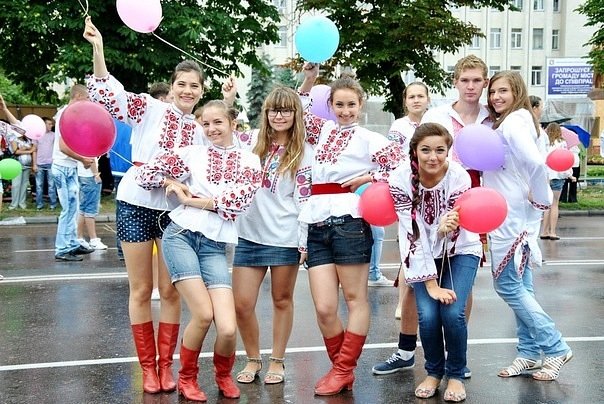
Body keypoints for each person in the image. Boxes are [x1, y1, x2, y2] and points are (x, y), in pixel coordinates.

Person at [84, 16, 211, 394]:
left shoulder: (201, 130)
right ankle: (148, 369)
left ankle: (166, 366)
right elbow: (110, 96)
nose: (187, 90)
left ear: (201, 91)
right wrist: (98, 49)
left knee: (170, 292)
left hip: (174, 212)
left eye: (194, 85)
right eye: (181, 84)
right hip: (135, 203)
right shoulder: (148, 108)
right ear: (171, 87)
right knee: (140, 290)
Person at [135, 100, 262, 401]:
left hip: (214, 246)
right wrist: (171, 182)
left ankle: (222, 376)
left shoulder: (250, 161)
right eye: (205, 124)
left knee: (228, 328)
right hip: (180, 236)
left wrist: (189, 200)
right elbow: (144, 175)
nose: (211, 129)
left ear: (233, 123)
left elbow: (236, 204)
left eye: (218, 122)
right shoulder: (192, 154)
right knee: (203, 314)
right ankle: (187, 378)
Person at [298, 63, 403, 396]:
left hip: (350, 223)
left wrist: (371, 177)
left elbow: (405, 166)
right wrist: (310, 79)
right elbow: (299, 111)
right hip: (317, 223)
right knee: (324, 307)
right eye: (339, 105)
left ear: (361, 105)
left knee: (355, 299)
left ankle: (343, 370)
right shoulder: (322, 131)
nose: (345, 111)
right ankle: (340, 369)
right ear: (330, 106)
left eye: (351, 105)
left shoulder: (370, 138)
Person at [485, 70, 572, 381]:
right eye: (493, 91)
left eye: (503, 91)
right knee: (523, 287)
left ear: (517, 92)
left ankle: (555, 346)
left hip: (510, 216)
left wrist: (541, 197)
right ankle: (529, 352)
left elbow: (535, 163)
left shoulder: (514, 122)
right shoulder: (521, 119)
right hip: (513, 213)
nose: (496, 97)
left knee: (506, 285)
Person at [389, 122, 482, 402]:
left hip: (460, 249)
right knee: (428, 317)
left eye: (440, 150)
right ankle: (433, 372)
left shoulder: (459, 177)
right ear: (414, 151)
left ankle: (455, 374)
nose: (433, 157)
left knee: (452, 313)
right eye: (426, 150)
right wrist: (431, 285)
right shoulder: (400, 179)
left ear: (448, 151)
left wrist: (445, 229)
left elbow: (456, 228)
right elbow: (411, 234)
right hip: (419, 254)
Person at [232, 86, 313, 385]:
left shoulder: (304, 152)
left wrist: (304, 241)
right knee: (242, 304)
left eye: (286, 110)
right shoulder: (250, 141)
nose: (279, 116)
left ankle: (277, 360)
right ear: (266, 113)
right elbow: (219, 137)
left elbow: (304, 200)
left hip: (284, 236)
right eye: (274, 110)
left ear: (296, 114)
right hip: (248, 234)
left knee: (281, 299)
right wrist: (228, 99)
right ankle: (253, 358)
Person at [372, 82, 431, 375]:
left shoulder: (437, 122)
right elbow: (393, 158)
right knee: (409, 257)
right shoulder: (399, 126)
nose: (416, 100)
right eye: (411, 96)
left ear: (428, 99)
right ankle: (403, 311)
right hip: (409, 198)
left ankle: (449, 352)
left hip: (436, 199)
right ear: (405, 101)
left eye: (421, 96)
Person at [52, 84, 96, 261]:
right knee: (68, 209)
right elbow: (63, 147)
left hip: (67, 167)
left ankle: (71, 243)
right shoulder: (66, 115)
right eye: (87, 98)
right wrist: (82, 159)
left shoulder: (68, 114)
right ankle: (62, 248)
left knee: (73, 208)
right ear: (78, 96)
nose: (89, 102)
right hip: (63, 167)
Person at [540, 123, 574, 240]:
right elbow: (565, 160)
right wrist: (570, 175)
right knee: (554, 204)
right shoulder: (562, 144)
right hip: (557, 176)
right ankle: (552, 232)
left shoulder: (544, 143)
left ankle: (544, 231)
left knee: (546, 205)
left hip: (545, 176)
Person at [76, 157, 108, 250]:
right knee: (90, 209)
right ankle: (93, 240)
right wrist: (96, 174)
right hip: (90, 177)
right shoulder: (89, 147)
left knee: (83, 209)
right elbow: (90, 158)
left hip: (81, 175)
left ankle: (79, 237)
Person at [8, 129, 36, 210]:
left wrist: (24, 149)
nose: (23, 132)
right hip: (17, 165)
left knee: (24, 185)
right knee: (16, 185)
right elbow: (15, 151)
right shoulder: (14, 138)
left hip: (27, 165)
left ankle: (22, 203)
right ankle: (14, 205)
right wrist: (29, 150)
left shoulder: (28, 140)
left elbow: (33, 149)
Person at [34, 117, 57, 210]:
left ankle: (53, 204)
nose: (51, 125)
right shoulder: (37, 135)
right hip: (39, 164)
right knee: (39, 186)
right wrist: (34, 164)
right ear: (44, 124)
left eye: (51, 124)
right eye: (49, 124)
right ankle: (39, 204)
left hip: (51, 163)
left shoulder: (54, 135)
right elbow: (34, 150)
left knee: (51, 185)